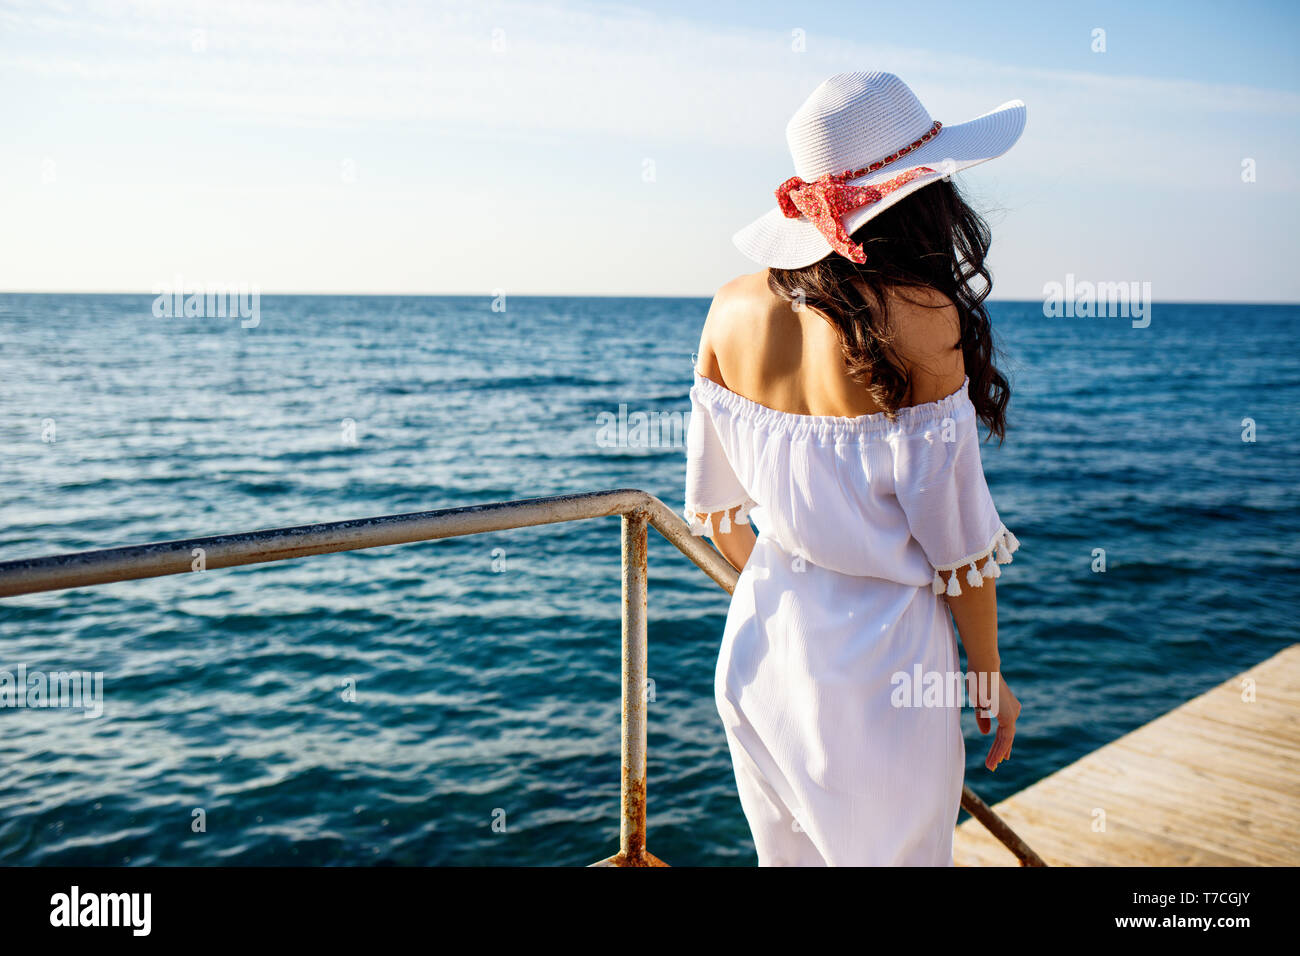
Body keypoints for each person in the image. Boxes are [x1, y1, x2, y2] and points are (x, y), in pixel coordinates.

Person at [684, 71, 1026, 866]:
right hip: (881, 678)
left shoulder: (730, 305)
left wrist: (803, 575)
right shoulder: (921, 316)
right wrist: (987, 679)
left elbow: (720, 517)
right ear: (921, 196)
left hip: (762, 652)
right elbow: (961, 554)